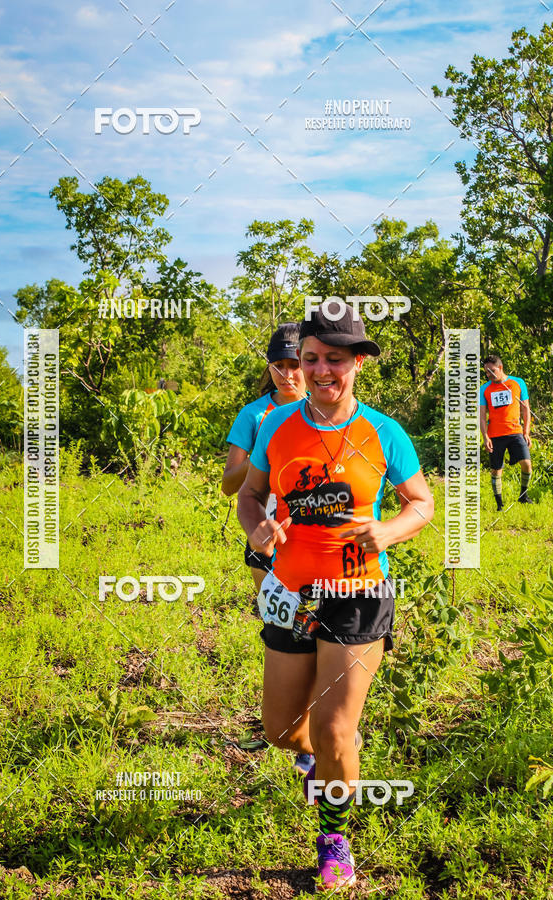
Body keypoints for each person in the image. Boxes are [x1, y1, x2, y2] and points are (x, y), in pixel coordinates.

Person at [237, 303, 433, 893]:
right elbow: (249, 493)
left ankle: (334, 840)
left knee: (336, 731)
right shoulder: (276, 426)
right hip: (291, 594)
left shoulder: (384, 432)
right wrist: (256, 528)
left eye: (337, 360)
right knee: (280, 729)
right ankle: (314, 764)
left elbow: (420, 502)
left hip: (357, 593)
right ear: (299, 363)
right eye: (313, 359)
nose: (323, 371)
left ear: (357, 364)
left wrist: (389, 530)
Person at [222, 322, 306, 594]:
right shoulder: (253, 414)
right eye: (278, 365)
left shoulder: (325, 411)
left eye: (294, 365)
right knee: (275, 627)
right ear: (268, 367)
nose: (287, 374)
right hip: (265, 530)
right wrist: (264, 450)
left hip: (313, 531)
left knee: (316, 626)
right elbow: (228, 485)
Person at [480, 355, 533, 510]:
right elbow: (482, 416)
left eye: (492, 371)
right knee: (496, 470)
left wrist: (526, 432)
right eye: (486, 372)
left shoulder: (518, 383)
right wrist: (485, 437)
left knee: (527, 464)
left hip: (515, 432)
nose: (489, 374)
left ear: (500, 367)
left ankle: (524, 496)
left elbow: (526, 409)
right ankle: (499, 505)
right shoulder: (484, 389)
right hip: (495, 435)